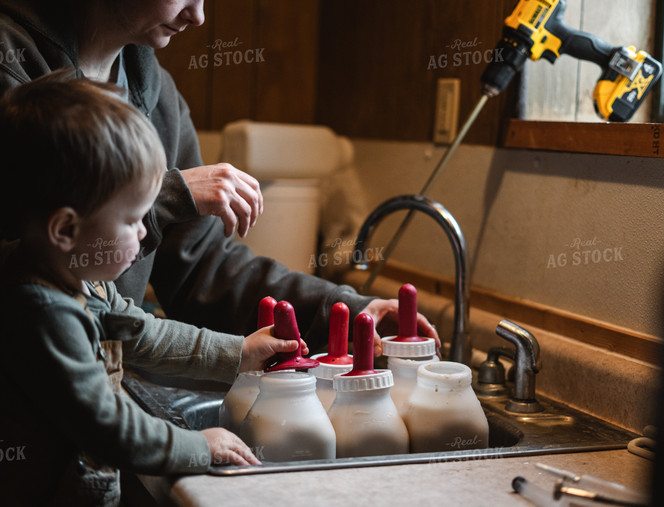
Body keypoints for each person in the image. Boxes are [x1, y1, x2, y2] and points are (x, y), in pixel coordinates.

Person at [0, 0, 439, 356]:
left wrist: (344, 310)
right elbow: (24, 252)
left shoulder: (161, 100)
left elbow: (202, 269)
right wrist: (170, 195)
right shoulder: (10, 63)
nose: (199, 15)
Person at [0, 71, 315, 505]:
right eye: (132, 220)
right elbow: (108, 426)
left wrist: (238, 352)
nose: (146, 234)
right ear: (66, 229)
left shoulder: (81, 280)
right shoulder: (42, 313)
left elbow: (144, 334)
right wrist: (199, 447)